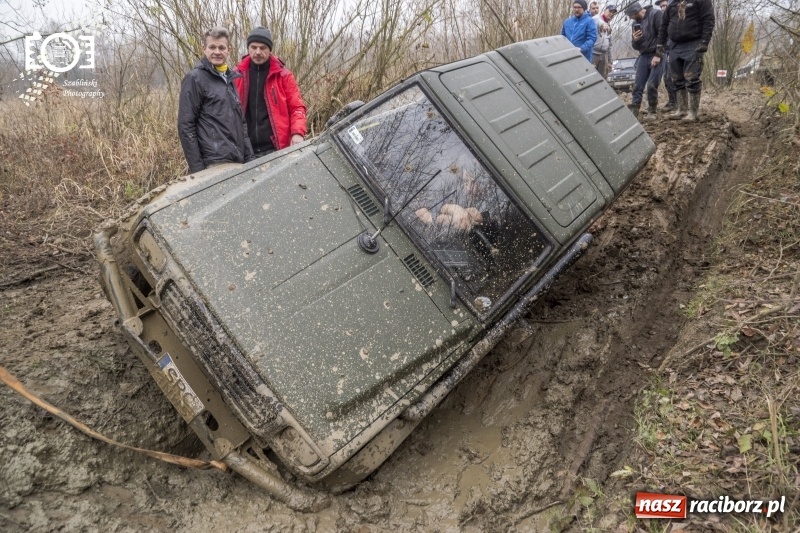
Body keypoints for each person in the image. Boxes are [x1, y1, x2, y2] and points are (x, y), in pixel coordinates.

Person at [178, 27, 254, 173]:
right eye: (212, 47)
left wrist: (250, 158)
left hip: (237, 161)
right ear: (204, 49)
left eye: (221, 47)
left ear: (228, 50)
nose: (217, 52)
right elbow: (185, 126)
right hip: (213, 163)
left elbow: (241, 123)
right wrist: (198, 169)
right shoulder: (195, 79)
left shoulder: (229, 79)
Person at [234, 27, 307, 157]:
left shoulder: (283, 76)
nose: (257, 52)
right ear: (248, 48)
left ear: (270, 50)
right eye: (253, 47)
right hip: (244, 149)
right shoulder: (236, 75)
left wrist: (297, 133)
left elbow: (297, 108)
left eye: (263, 48)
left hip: (275, 148)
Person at [657, 0, 715, 121]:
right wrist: (660, 43)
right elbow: (664, 24)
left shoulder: (700, 1)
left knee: (692, 78)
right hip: (674, 45)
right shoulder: (673, 4)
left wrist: (705, 41)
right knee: (676, 79)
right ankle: (681, 109)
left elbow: (708, 20)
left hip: (693, 42)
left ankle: (693, 113)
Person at [626, 1, 663, 119]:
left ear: (636, 12)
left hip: (657, 53)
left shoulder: (656, 14)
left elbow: (663, 36)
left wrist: (658, 55)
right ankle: (634, 109)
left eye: (631, 15)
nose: (631, 18)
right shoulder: (635, 24)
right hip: (643, 55)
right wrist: (635, 40)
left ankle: (652, 110)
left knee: (652, 84)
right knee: (638, 85)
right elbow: (635, 46)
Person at [657, 0, 677, 110]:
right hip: (667, 50)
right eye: (661, 7)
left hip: (676, 49)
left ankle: (677, 103)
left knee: (673, 77)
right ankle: (673, 101)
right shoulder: (662, 20)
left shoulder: (675, 16)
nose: (663, 8)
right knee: (667, 77)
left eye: (664, 5)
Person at [592, 5, 618, 79]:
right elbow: (596, 21)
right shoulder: (596, 18)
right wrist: (602, 24)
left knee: (602, 79)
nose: (612, 14)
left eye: (613, 13)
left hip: (604, 56)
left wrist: (610, 61)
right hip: (593, 54)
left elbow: (609, 45)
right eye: (610, 11)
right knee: (591, 78)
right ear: (605, 11)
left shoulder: (609, 27)